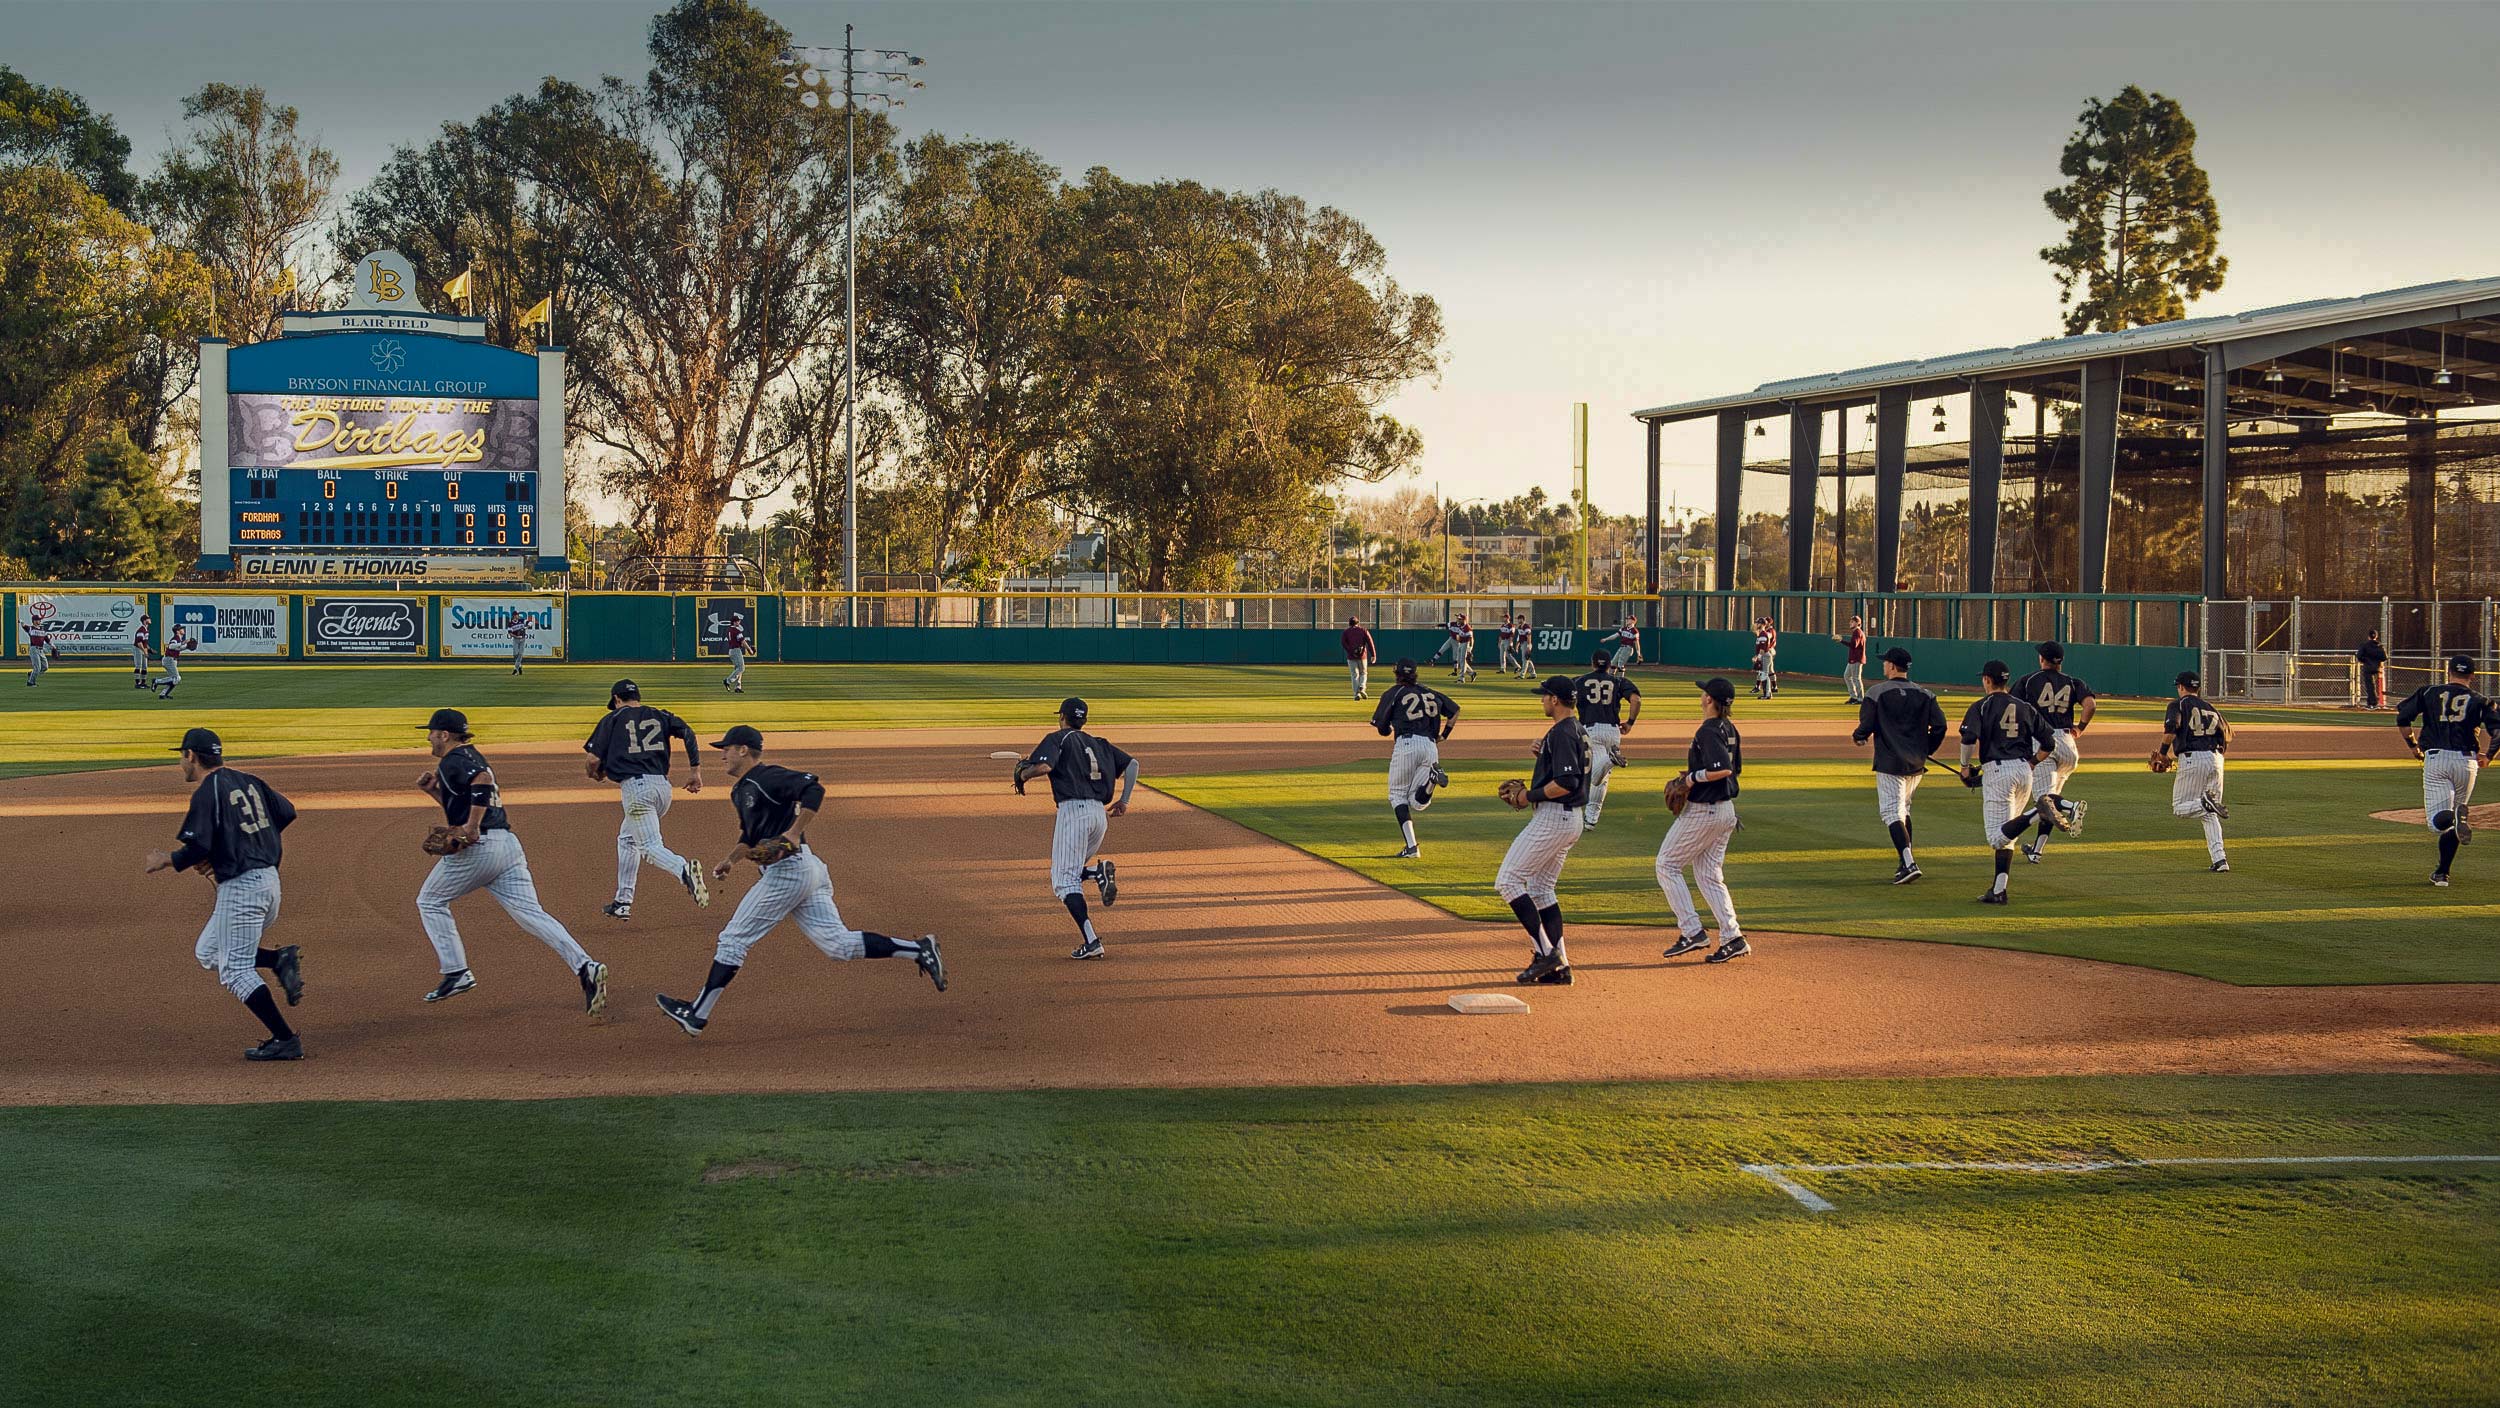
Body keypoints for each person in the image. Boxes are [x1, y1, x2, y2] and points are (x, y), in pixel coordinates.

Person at [654, 726, 946, 1036]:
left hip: (790, 871)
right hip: (806, 872)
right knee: (838, 945)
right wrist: (731, 859)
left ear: (744, 750)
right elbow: (750, 837)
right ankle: (918, 949)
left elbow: (814, 789)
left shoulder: (767, 777)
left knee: (733, 940)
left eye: (726, 748)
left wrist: (794, 831)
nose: (722, 754)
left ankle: (697, 1014)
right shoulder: (740, 791)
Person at [411, 708, 608, 1013]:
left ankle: (456, 971)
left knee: (430, 901)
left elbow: (482, 780)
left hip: (481, 849)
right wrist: (434, 791)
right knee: (532, 914)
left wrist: (473, 828)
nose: (429, 738)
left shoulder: (455, 760)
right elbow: (469, 801)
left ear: (444, 735)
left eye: (432, 733)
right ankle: (586, 967)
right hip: (506, 848)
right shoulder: (470, 755)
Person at [143, 727, 305, 1061]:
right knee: (209, 951)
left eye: (181, 756)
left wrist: (167, 860)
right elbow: (286, 812)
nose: (180, 763)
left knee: (235, 971)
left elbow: (198, 845)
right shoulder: (248, 779)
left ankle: (285, 1039)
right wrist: (247, 844)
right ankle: (277, 959)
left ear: (192, 755)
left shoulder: (208, 791)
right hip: (269, 882)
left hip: (243, 890)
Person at [1013, 697, 1138, 960]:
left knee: (1063, 881)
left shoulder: (1059, 737)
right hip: (1098, 817)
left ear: (1062, 717)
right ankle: (1096, 873)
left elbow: (1045, 766)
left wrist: (1023, 774)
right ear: (1084, 720)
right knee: (1070, 871)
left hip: (1074, 814)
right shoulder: (1100, 743)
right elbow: (1133, 764)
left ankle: (1092, 941)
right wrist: (1124, 800)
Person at [583, 678, 710, 920]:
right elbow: (687, 732)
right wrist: (695, 771)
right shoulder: (659, 714)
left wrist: (595, 775)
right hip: (662, 789)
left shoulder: (612, 718)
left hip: (637, 791)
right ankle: (623, 901)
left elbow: (592, 761)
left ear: (617, 699)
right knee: (627, 840)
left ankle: (683, 869)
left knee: (650, 848)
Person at [1498, 676, 1592, 986]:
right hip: (1571, 819)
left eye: (1544, 696)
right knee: (1541, 890)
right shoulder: (1576, 729)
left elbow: (1566, 783)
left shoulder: (1563, 732)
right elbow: (1571, 770)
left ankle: (1546, 953)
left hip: (1554, 819)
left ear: (1555, 700)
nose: (1541, 700)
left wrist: (1528, 796)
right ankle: (1561, 966)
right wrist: (1545, 755)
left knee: (1508, 880)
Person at [1658, 678, 1747, 963]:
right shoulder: (1730, 729)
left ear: (1709, 699)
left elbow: (1723, 770)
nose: (1701, 695)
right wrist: (1696, 773)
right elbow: (1736, 769)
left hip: (1705, 812)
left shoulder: (1708, 730)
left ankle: (1692, 931)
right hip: (1725, 812)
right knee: (1709, 875)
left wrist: (1692, 778)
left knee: (1667, 865)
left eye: (1703, 692)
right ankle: (1733, 937)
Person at [2396, 654, 2498, 888]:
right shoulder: (2481, 700)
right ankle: (2442, 873)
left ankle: (2455, 818)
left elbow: (2402, 716)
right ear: (2472, 675)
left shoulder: (2429, 692)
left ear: (2448, 671)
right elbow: (2498, 730)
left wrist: (2412, 745)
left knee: (2437, 822)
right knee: (2453, 826)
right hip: (2467, 762)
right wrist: (2490, 756)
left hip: (2437, 758)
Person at [1958, 660, 2055, 905]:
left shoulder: (1981, 706)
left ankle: (2038, 812)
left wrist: (1965, 768)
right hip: (2024, 771)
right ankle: (1999, 890)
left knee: (1995, 837)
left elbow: (1969, 738)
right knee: (2008, 832)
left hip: (1999, 772)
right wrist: (2032, 763)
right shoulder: (2023, 706)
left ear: (1987, 680)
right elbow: (2049, 743)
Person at [1852, 646, 1947, 884]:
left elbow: (1867, 724)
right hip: (1916, 763)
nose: (1883, 665)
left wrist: (1859, 735)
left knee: (1891, 812)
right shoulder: (1925, 694)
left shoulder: (1877, 692)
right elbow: (1940, 726)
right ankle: (1904, 861)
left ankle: (1909, 862)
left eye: (1886, 662)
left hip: (1889, 762)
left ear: (1893, 666)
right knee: (1903, 809)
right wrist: (1926, 749)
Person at [2012, 641, 2095, 862]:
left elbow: (2013, 709)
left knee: (2044, 800)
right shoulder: (2072, 682)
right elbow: (2090, 705)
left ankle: (2072, 806)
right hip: (2068, 743)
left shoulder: (2028, 681)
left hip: (2042, 743)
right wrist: (2081, 727)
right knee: (2049, 804)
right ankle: (2037, 852)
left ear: (2042, 659)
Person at [1371, 659, 1456, 858]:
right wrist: (1445, 734)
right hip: (1430, 747)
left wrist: (1387, 728)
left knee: (1397, 796)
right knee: (1417, 803)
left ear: (1396, 673)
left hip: (1407, 744)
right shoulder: (1430, 693)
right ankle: (1431, 782)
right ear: (1415, 674)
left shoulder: (1394, 692)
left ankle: (1412, 848)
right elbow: (1455, 711)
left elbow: (1382, 727)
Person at [2156, 670, 2233, 873]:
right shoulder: (2212, 708)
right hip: (2217, 759)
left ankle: (2204, 803)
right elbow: (2228, 734)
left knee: (2180, 807)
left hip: (2193, 757)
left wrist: (2163, 753)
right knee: (2209, 814)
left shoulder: (2178, 704)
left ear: (2181, 687)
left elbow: (2171, 728)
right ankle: (2220, 860)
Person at [1573, 648, 1641, 829]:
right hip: (1613, 731)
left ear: (1593, 663)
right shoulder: (1618, 681)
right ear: (1610, 664)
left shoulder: (1580, 680)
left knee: (1595, 776)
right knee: (1602, 776)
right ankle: (1591, 819)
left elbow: (1561, 692)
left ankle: (1610, 760)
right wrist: (1630, 723)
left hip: (1591, 730)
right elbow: (1636, 700)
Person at [1341, 616, 1377, 700]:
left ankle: (1356, 693)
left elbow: (1343, 643)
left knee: (1354, 675)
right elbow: (1370, 642)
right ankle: (1362, 687)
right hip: (1362, 656)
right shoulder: (1363, 630)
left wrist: (1351, 651)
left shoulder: (1346, 632)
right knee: (1363, 673)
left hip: (1351, 657)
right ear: (1358, 623)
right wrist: (1373, 655)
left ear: (1349, 623)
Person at [1836, 615, 1868, 703]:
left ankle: (1861, 698)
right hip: (1853, 659)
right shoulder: (1856, 632)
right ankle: (1853, 697)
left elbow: (1854, 645)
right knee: (1847, 676)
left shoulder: (1857, 632)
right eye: (1851, 621)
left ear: (1858, 623)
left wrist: (1841, 641)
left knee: (1856, 678)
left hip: (1856, 659)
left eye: (1853, 621)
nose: (1850, 623)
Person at [154, 625, 189, 699]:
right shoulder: (175, 638)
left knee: (174, 679)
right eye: (181, 629)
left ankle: (163, 694)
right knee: (177, 678)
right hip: (169, 660)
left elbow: (177, 649)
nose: (183, 629)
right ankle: (157, 681)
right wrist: (183, 643)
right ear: (177, 631)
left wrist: (187, 646)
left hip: (171, 660)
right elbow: (171, 646)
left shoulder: (178, 639)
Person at [2357, 629, 2390, 710]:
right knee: (2373, 685)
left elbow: (2359, 656)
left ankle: (2372, 703)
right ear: (2376, 636)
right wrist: (2377, 661)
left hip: (2368, 667)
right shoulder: (2379, 645)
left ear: (2368, 637)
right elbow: (2384, 657)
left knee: (2370, 686)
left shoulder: (2365, 645)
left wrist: (2365, 660)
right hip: (2377, 667)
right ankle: (2371, 702)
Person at [723, 614, 750, 693]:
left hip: (732, 650)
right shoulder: (736, 630)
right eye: (738, 621)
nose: (739, 622)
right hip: (736, 650)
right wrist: (749, 650)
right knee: (741, 668)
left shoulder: (729, 630)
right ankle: (727, 681)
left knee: (738, 668)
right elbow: (743, 641)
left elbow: (737, 641)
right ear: (734, 622)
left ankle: (738, 686)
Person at [23, 619, 51, 686]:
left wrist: (53, 646)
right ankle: (30, 682)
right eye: (38, 620)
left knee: (45, 667)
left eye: (39, 620)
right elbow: (24, 626)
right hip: (34, 649)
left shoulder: (42, 630)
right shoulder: (31, 629)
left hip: (41, 650)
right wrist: (21, 622)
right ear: (34, 621)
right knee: (37, 668)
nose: (39, 621)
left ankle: (32, 674)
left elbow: (47, 639)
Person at [1750, 618, 1773, 699]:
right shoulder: (1761, 634)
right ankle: (1767, 694)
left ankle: (1767, 695)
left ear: (1762, 624)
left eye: (1758, 623)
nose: (1756, 625)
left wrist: (1758, 657)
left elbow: (1763, 649)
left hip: (1765, 656)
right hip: (1764, 656)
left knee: (1764, 675)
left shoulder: (1763, 634)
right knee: (1763, 674)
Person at [130, 611, 152, 690]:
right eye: (148, 619)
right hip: (138, 649)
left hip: (143, 649)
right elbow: (139, 643)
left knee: (145, 667)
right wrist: (145, 651)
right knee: (138, 665)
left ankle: (143, 683)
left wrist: (149, 649)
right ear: (145, 620)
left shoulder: (145, 629)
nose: (150, 619)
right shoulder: (141, 630)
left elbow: (144, 642)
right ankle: (137, 683)